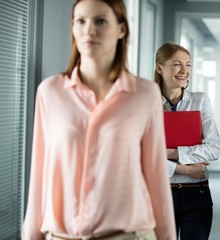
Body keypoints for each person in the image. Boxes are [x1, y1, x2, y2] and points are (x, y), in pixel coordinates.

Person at [22, 1, 176, 239]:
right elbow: (40, 174)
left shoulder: (145, 94)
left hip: (129, 235)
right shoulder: (50, 92)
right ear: (73, 27)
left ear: (121, 29)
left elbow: (156, 177)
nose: (89, 30)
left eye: (101, 21)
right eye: (81, 21)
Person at [154, 42, 220, 240]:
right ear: (160, 68)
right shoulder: (146, 104)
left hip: (196, 194)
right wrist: (186, 168)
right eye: (177, 64)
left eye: (188, 64)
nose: (184, 70)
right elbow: (142, 155)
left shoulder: (200, 101)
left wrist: (170, 153)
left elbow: (213, 149)